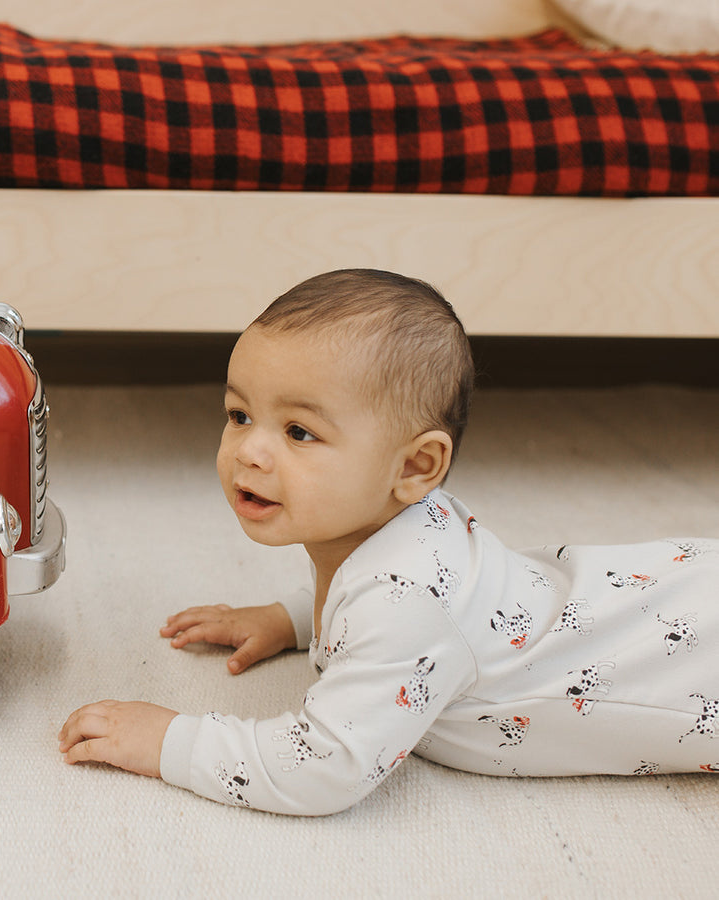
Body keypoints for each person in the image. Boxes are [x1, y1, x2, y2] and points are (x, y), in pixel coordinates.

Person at [59, 268, 719, 815]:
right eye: (240, 414)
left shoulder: (407, 603)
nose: (248, 451)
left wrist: (169, 741)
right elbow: (370, 596)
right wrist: (292, 619)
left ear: (414, 467)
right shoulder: (395, 531)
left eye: (299, 432)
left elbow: (324, 766)